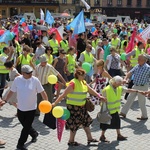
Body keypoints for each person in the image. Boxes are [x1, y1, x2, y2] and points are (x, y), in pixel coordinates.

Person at [52, 68, 106, 146]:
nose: (84, 76)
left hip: (82, 107)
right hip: (73, 108)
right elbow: (63, 95)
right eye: (83, 75)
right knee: (74, 124)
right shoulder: (73, 84)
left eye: (84, 74)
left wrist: (99, 96)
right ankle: (71, 141)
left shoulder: (83, 82)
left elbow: (90, 90)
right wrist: (54, 103)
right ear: (78, 75)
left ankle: (90, 138)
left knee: (86, 122)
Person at [2, 65, 48, 150]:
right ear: (23, 73)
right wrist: (5, 100)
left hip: (31, 108)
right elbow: (12, 91)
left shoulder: (35, 80)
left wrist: (47, 102)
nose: (30, 74)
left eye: (31, 72)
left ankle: (20, 144)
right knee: (25, 125)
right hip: (21, 108)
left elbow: (42, 92)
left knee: (26, 127)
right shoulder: (17, 80)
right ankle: (34, 134)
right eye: (28, 73)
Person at [100, 76, 139, 142]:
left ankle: (119, 135)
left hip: (115, 110)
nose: (120, 85)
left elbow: (128, 90)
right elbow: (102, 101)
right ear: (115, 82)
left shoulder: (119, 88)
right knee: (105, 124)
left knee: (117, 122)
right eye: (119, 83)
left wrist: (138, 91)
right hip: (108, 111)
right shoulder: (106, 89)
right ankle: (102, 136)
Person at [120, 54, 150, 120]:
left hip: (143, 87)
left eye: (139, 59)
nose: (137, 60)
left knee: (141, 102)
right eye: (138, 59)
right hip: (135, 86)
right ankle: (123, 112)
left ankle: (144, 116)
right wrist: (125, 78)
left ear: (144, 60)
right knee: (129, 99)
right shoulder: (137, 66)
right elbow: (130, 72)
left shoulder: (148, 68)